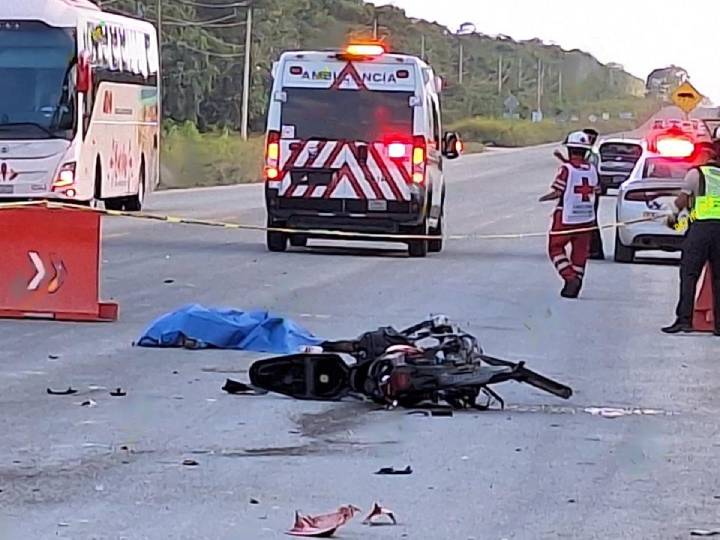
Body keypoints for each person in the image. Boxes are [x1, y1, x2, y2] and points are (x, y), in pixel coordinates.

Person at [662, 141, 720, 335]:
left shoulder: (696, 174)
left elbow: (682, 200)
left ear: (703, 155)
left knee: (689, 274)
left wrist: (672, 217)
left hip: (701, 230)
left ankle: (684, 320)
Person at [540, 131, 599, 298]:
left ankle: (569, 277)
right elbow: (597, 189)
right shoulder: (592, 170)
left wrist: (544, 198)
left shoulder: (566, 169)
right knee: (580, 252)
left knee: (555, 247)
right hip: (586, 218)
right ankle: (577, 280)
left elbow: (558, 191)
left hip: (566, 216)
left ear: (570, 149)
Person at [554, 128, 605, 260]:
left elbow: (579, 168)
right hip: (585, 191)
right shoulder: (590, 154)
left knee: (589, 222)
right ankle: (590, 250)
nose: (591, 140)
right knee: (588, 222)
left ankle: (594, 250)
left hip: (587, 192)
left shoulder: (592, 156)